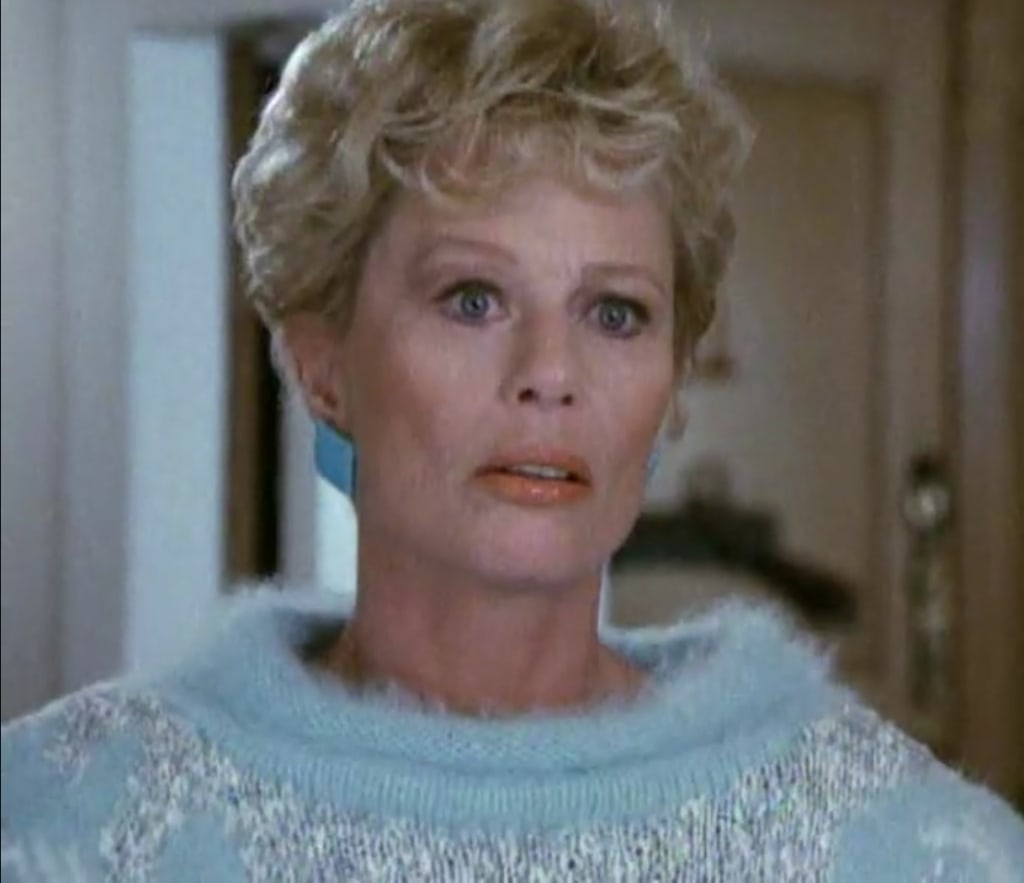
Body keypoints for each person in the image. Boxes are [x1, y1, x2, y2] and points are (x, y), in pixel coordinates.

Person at [2, 0, 1022, 878]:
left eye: (614, 313)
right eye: (473, 298)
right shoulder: (65, 818)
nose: (550, 372)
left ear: (672, 382)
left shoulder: (904, 843)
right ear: (322, 363)